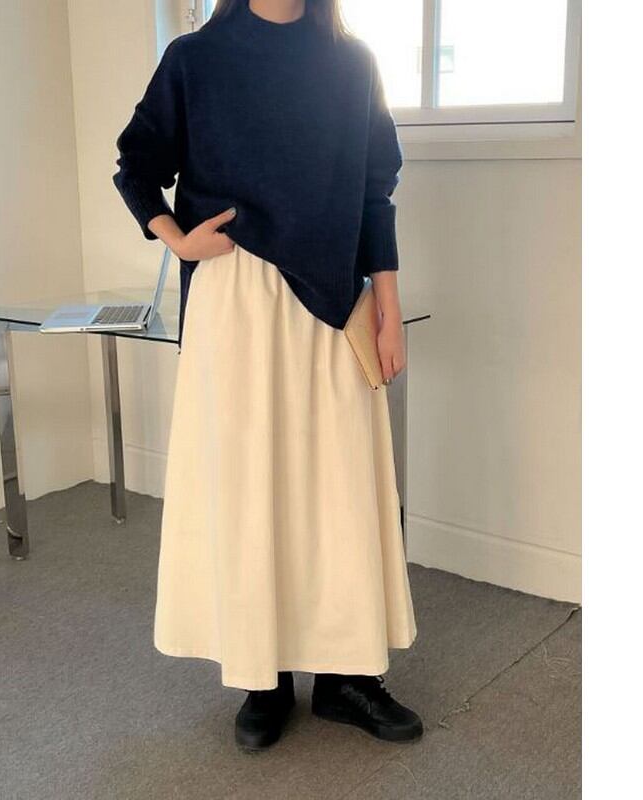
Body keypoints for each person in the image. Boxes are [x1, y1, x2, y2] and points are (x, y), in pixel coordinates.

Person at [112, 0, 422, 751]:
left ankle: (348, 676)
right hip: (235, 296)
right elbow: (137, 163)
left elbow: (375, 189)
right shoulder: (196, 59)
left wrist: (388, 303)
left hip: (333, 297)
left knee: (338, 487)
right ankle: (264, 674)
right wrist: (177, 240)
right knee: (251, 485)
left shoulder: (353, 63)